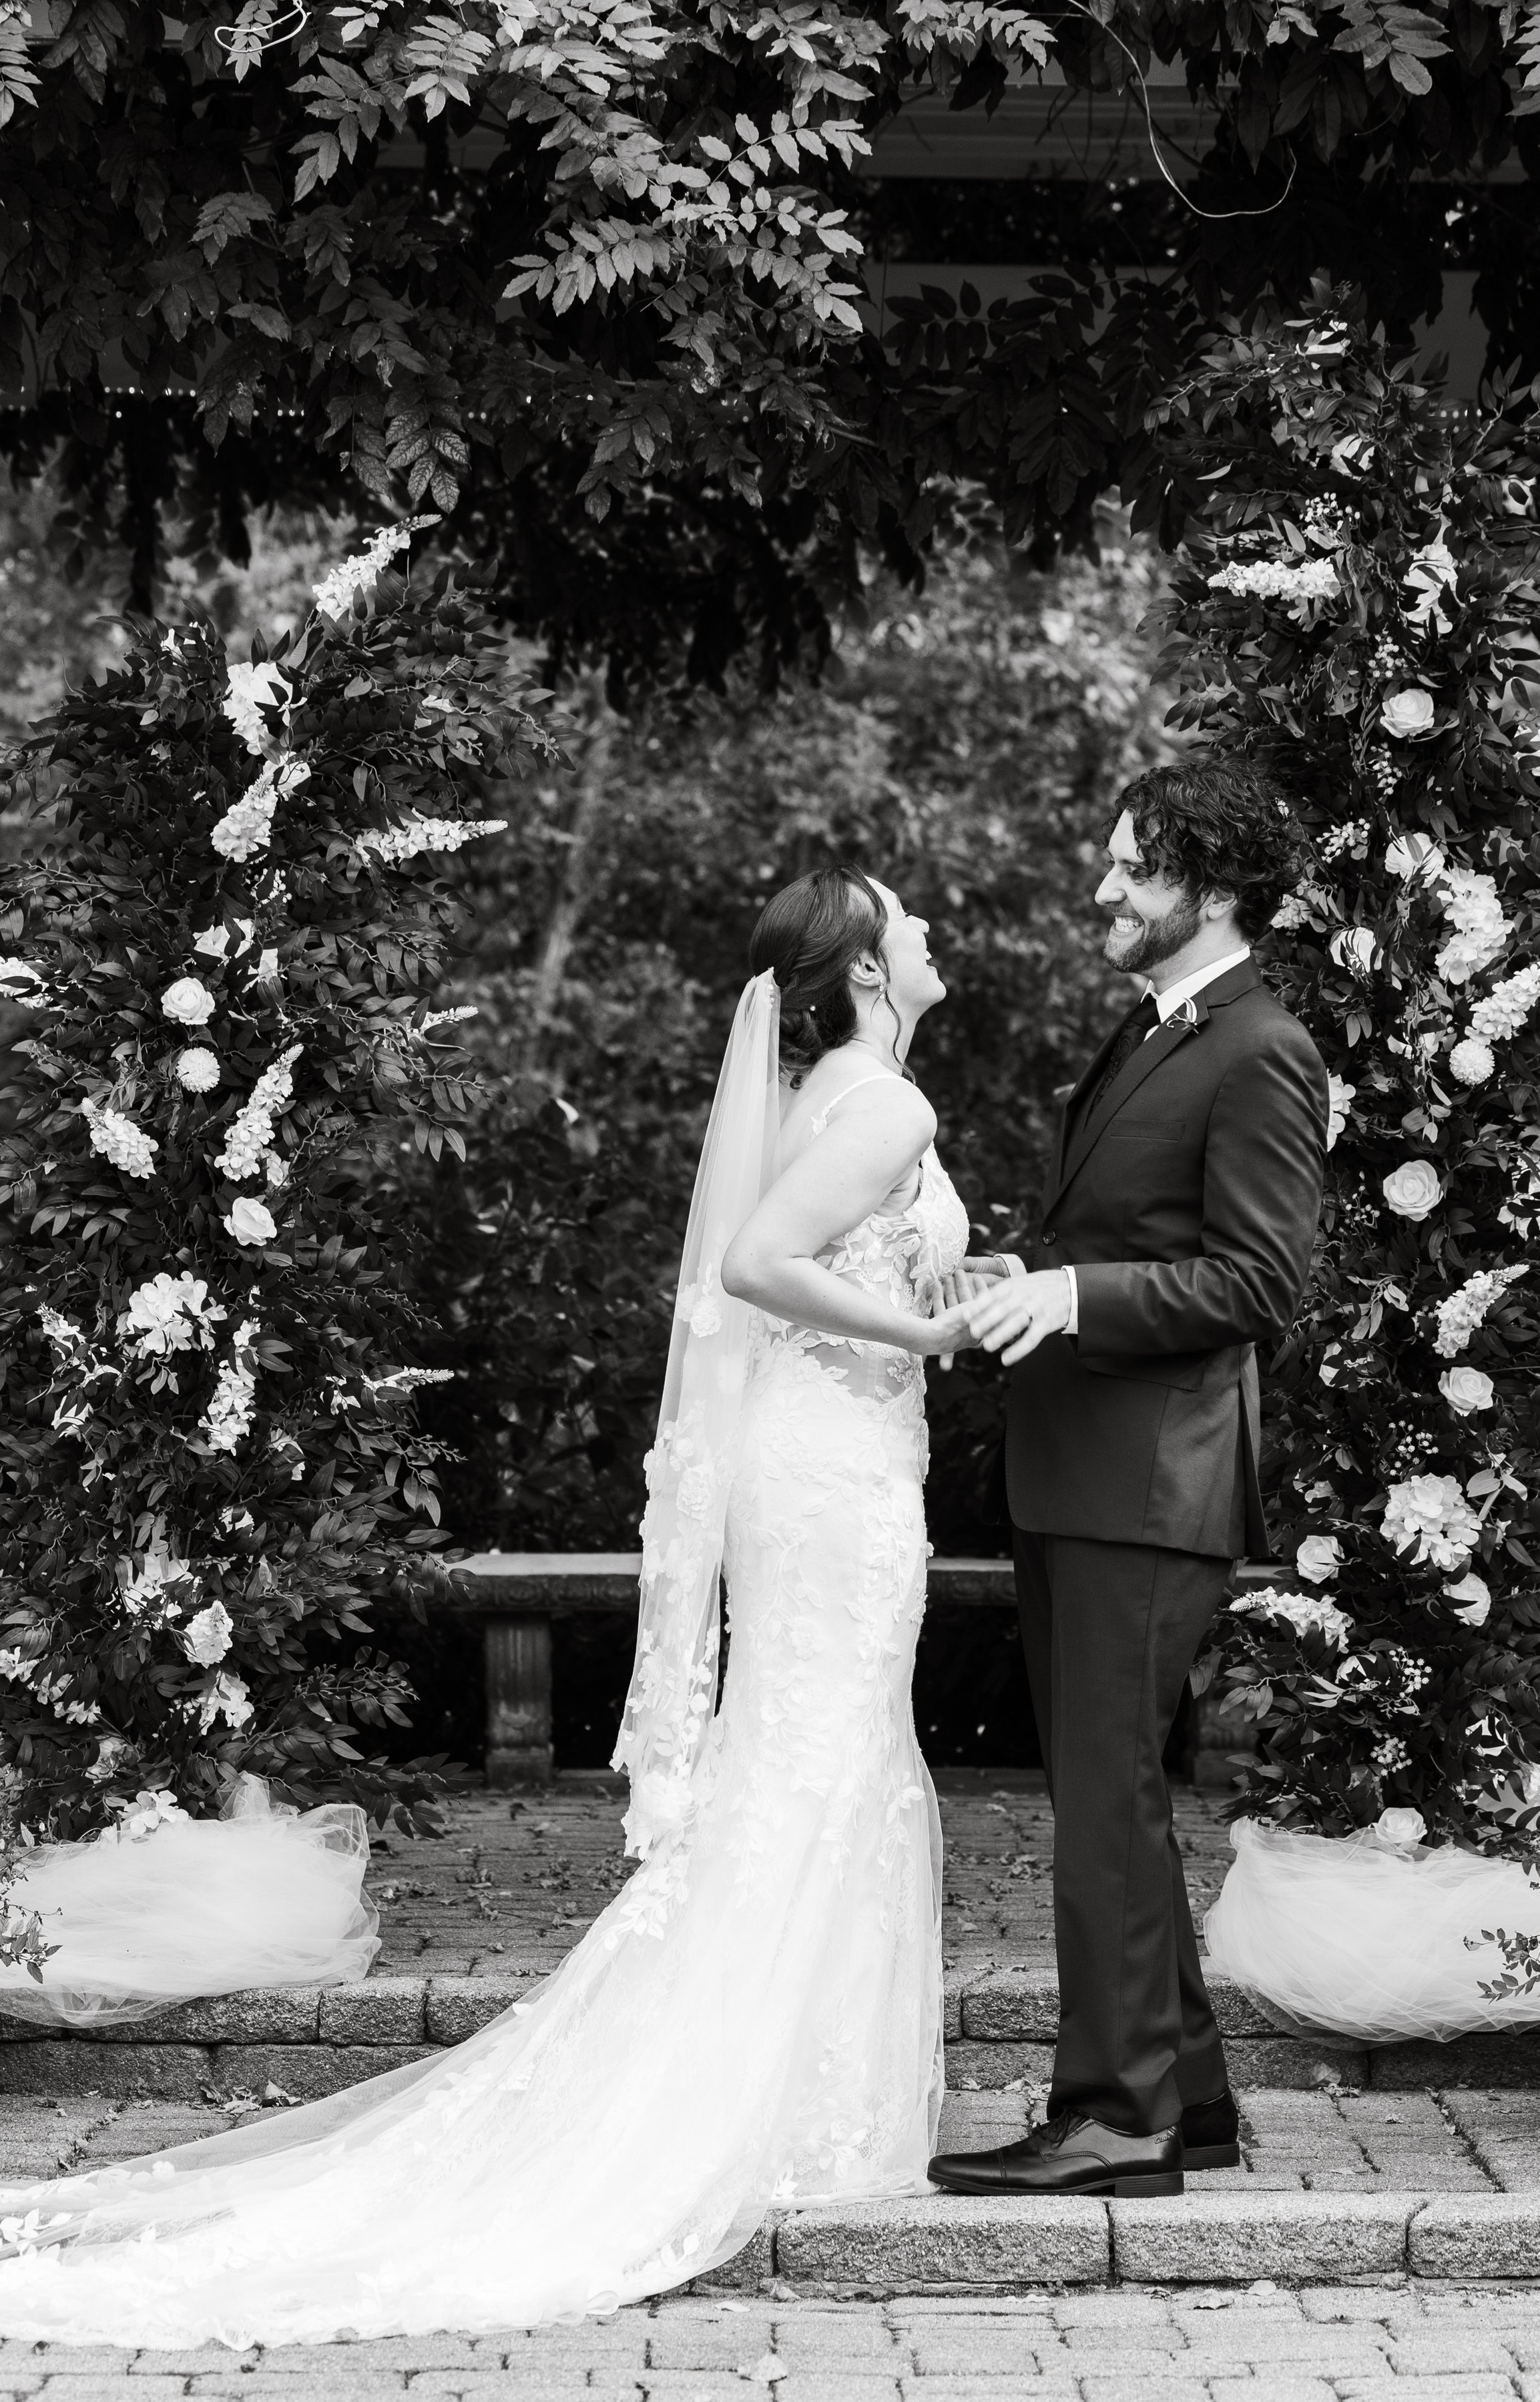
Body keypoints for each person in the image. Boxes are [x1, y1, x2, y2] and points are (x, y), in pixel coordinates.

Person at [0, 868, 989, 2346]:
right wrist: (926, 1324)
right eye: (905, 923)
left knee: (810, 1760)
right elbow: (758, 1268)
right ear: (861, 968)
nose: (928, 935)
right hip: (836, 1470)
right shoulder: (885, 1106)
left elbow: (812, 1259)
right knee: (824, 1760)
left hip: (833, 1453)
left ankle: (788, 2092)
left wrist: (959, 1289)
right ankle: (781, 2109)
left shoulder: (836, 1099)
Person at [929, 758, 1329, 2202]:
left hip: (1150, 1486)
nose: (1101, 887)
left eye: (1131, 870)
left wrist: (1082, 1297)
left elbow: (1258, 1279)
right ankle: (1194, 2099)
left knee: (1105, 1807)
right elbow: (1122, 1231)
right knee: (1110, 1801)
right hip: (1079, 1471)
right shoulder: (1151, 1027)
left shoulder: (1260, 1047)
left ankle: (1112, 2117)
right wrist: (1025, 1276)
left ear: (1212, 888)